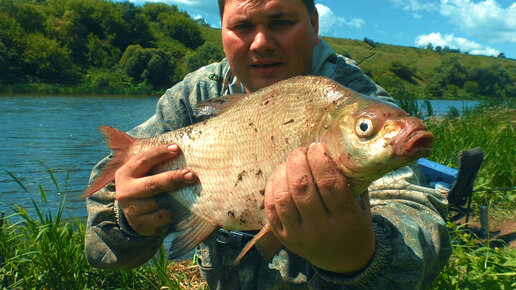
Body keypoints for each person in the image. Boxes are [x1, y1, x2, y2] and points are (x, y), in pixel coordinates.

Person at [85, 0, 452, 288]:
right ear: (222, 30)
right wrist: (128, 223)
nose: (260, 42)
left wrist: (360, 256)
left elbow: (419, 221)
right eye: (242, 26)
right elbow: (101, 244)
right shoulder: (194, 95)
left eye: (280, 22)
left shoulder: (359, 103)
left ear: (313, 25)